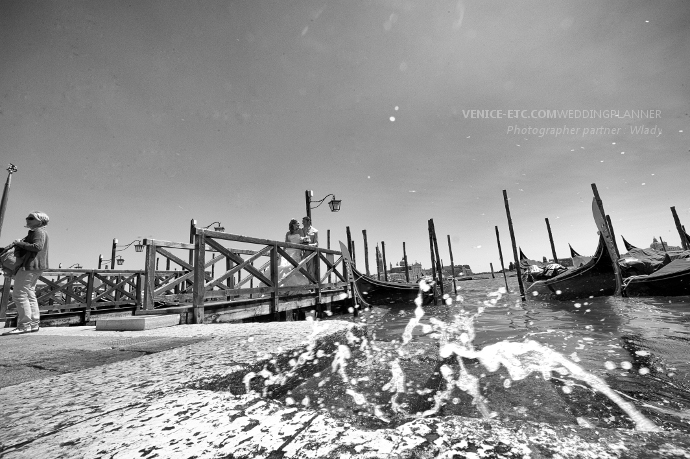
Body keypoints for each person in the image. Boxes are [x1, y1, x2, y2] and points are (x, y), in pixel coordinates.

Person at [4, 211, 50, 335]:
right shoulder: (40, 232)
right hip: (36, 267)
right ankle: (33, 324)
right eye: (27, 217)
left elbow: (37, 246)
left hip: (30, 266)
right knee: (29, 294)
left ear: (39, 221)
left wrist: (19, 243)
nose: (27, 219)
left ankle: (24, 325)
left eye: (31, 218)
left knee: (19, 294)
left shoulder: (38, 231)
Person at [278, 218, 309, 294]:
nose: (299, 224)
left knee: (294, 269)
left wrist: (305, 241)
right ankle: (284, 288)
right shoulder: (288, 233)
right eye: (297, 223)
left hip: (297, 251)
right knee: (285, 267)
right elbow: (285, 244)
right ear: (293, 225)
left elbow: (303, 242)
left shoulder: (300, 231)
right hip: (288, 251)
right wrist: (281, 252)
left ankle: (296, 289)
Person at [300, 216, 318, 280]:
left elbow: (316, 244)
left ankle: (311, 284)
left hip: (310, 252)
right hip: (301, 251)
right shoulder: (300, 230)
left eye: (304, 222)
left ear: (308, 221)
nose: (303, 223)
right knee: (300, 268)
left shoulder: (315, 231)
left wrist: (308, 245)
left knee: (310, 269)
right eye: (302, 222)